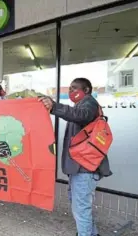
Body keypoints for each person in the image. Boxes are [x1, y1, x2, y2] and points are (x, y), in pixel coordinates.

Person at [39, 78, 112, 236]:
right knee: (80, 206)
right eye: (70, 89)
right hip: (80, 166)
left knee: (81, 208)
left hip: (85, 168)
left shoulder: (89, 104)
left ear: (86, 90)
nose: (71, 92)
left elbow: (81, 115)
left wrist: (55, 107)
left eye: (74, 88)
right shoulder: (80, 106)